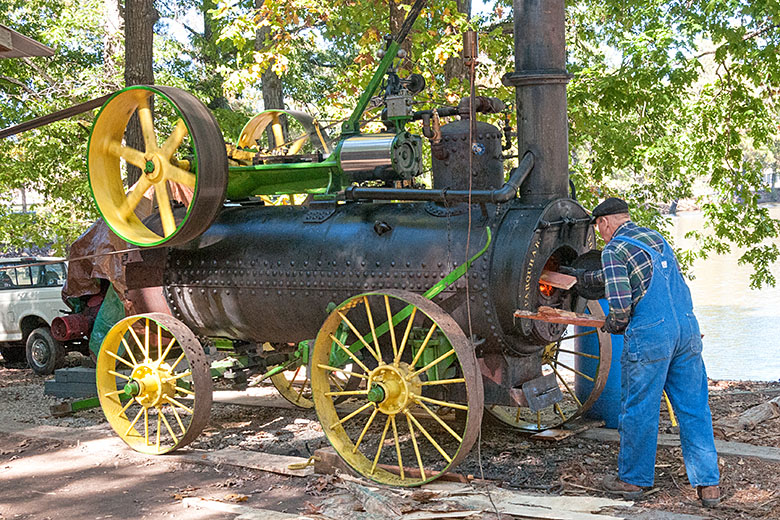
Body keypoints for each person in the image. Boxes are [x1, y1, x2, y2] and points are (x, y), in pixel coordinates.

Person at [564, 197, 721, 507]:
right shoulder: (656, 237)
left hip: (652, 335)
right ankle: (709, 486)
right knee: (694, 408)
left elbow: (620, 307)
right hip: (687, 329)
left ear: (605, 223)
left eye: (600, 229)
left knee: (639, 408)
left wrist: (612, 324)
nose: (601, 235)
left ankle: (633, 480)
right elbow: (658, 282)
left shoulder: (613, 250)